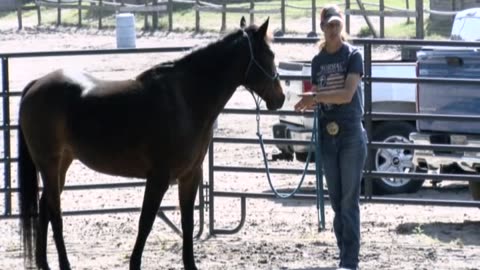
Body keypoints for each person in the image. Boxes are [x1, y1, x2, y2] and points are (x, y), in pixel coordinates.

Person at [294, 4, 366, 270]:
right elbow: (322, 98)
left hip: (349, 133)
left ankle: (349, 260)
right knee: (337, 200)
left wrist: (313, 98)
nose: (333, 29)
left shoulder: (353, 56)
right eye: (329, 25)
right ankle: (344, 254)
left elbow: (347, 94)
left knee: (348, 200)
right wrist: (310, 103)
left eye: (337, 24)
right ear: (322, 27)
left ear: (342, 26)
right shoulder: (317, 61)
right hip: (327, 133)